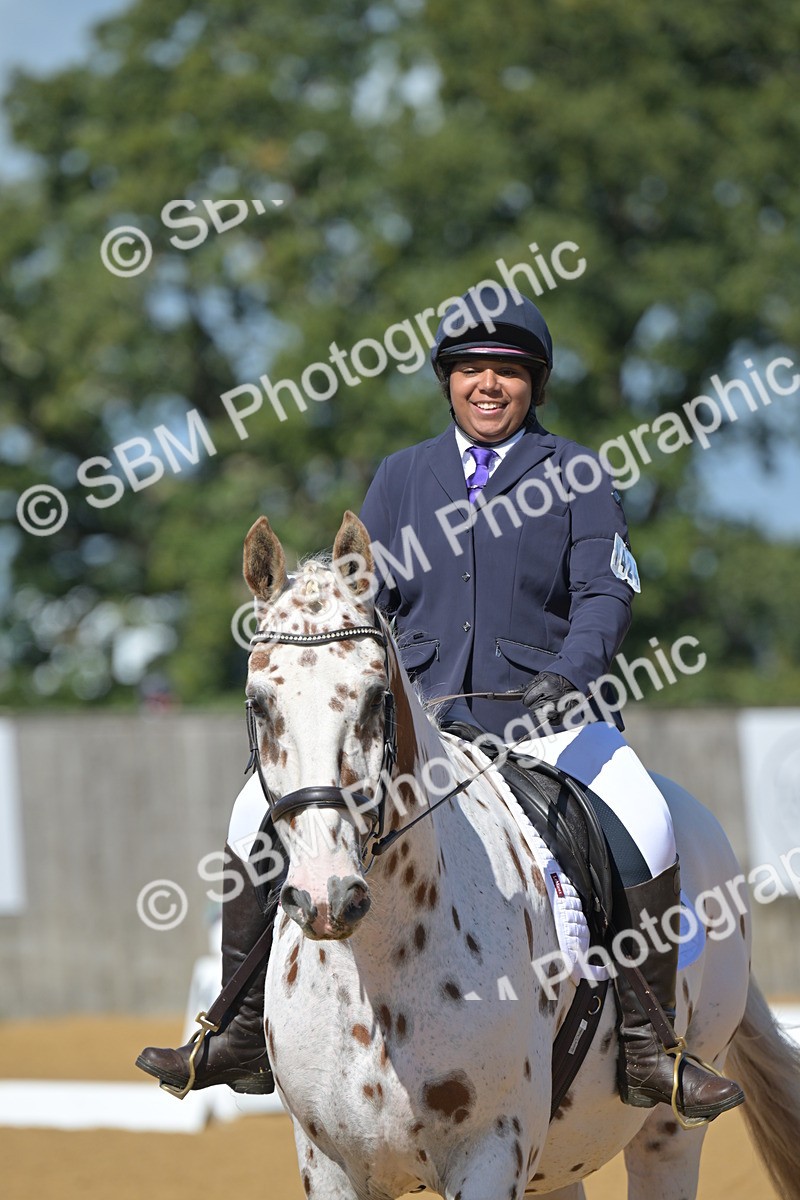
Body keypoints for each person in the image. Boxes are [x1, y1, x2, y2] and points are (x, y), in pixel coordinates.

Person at [137, 286, 743, 1123]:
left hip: (550, 718)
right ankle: (236, 1028)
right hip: (423, 727)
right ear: (447, 380)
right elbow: (364, 601)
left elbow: (606, 590)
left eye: (508, 371)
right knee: (254, 810)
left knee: (647, 817)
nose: (488, 385)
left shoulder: (577, 473)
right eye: (471, 370)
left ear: (535, 383)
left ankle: (649, 1044)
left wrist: (572, 673)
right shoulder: (402, 476)